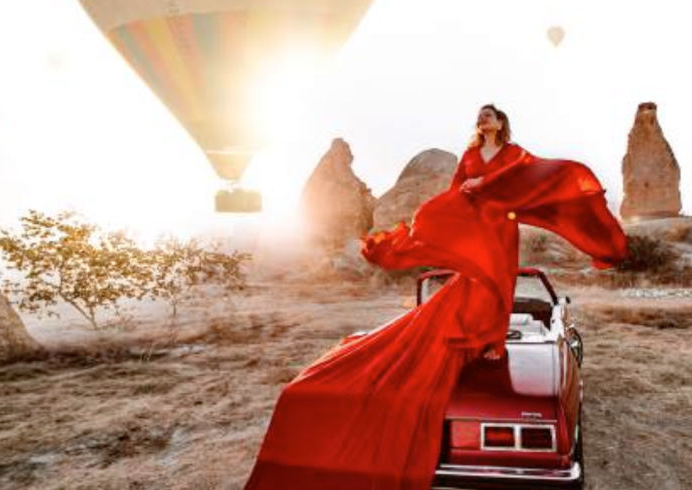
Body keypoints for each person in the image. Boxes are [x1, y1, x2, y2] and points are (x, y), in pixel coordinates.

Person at [243, 104, 628, 490]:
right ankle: (475, 338)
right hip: (477, 230)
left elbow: (525, 179)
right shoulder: (470, 156)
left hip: (500, 229)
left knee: (497, 283)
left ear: (501, 123)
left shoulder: (513, 153)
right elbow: (453, 193)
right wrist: (431, 218)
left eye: (490, 115)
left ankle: (491, 341)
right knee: (476, 283)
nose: (484, 120)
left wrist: (491, 186)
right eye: (480, 115)